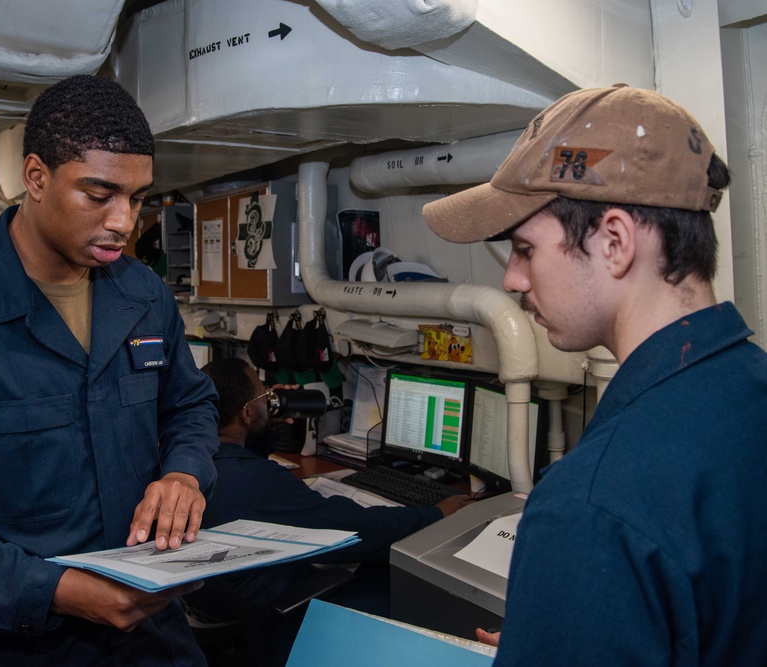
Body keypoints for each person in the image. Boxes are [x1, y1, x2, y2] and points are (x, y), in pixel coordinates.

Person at [0, 75, 220, 666]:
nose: (124, 222)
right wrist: (56, 591)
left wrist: (184, 472)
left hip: (156, 637)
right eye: (98, 194)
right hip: (23, 643)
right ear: (35, 177)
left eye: (138, 197)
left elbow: (189, 405)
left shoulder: (144, 294)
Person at [422, 85, 767, 664]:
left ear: (614, 242)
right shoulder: (750, 390)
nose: (512, 279)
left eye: (525, 249)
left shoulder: (590, 505)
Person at [192, 358, 471, 664]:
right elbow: (354, 529)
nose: (269, 401)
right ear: (246, 413)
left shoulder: (196, 463)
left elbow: (242, 460)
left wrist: (264, 427)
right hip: (275, 614)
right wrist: (436, 515)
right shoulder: (259, 482)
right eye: (263, 396)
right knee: (387, 571)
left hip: (215, 607)